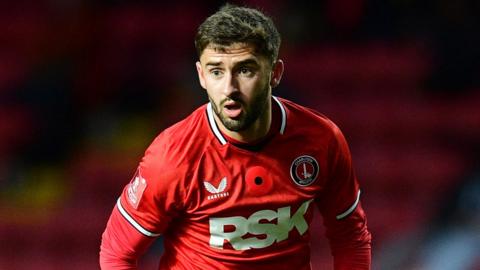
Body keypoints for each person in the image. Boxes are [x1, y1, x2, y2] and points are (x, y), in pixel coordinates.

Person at [100, 3, 371, 269]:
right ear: (201, 76)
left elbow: (350, 236)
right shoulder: (172, 156)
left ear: (275, 73)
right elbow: (116, 254)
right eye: (216, 71)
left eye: (245, 70)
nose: (229, 88)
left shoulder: (322, 140)